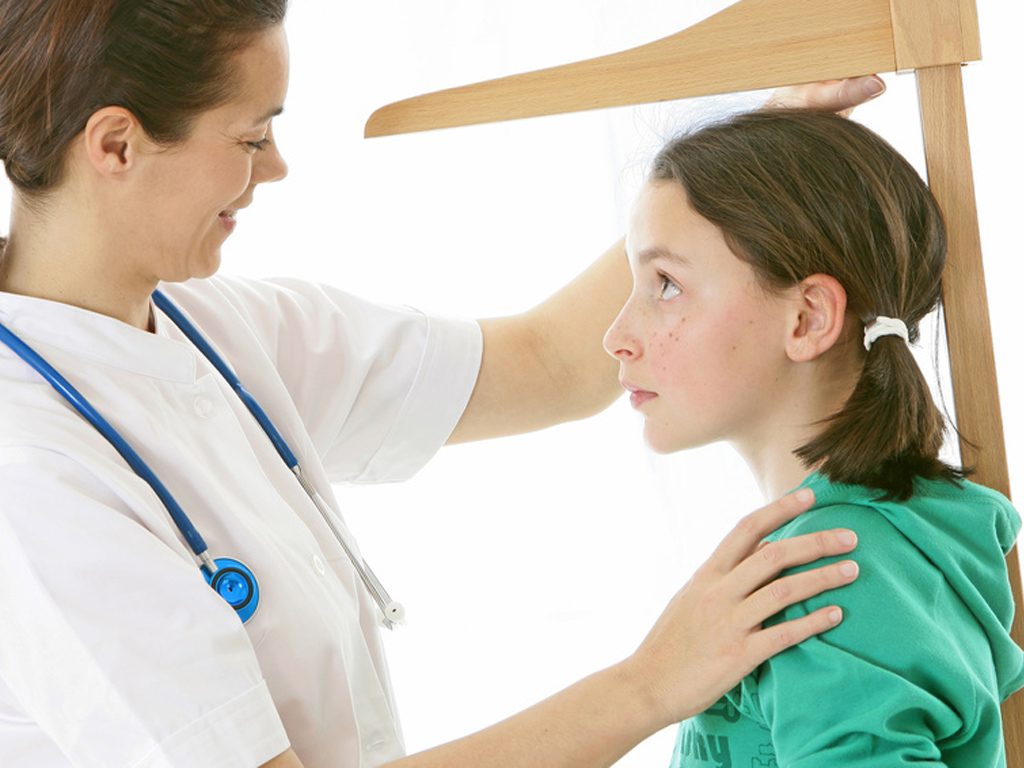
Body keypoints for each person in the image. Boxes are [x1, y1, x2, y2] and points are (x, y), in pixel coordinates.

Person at [0, 3, 882, 767]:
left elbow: (549, 364)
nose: (275, 168)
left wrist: (752, 139)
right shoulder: (29, 471)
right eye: (251, 136)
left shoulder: (225, 330)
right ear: (115, 144)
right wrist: (650, 684)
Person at [602, 107, 1024, 766]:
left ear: (807, 317)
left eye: (666, 284)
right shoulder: (905, 529)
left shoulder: (827, 578)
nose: (616, 336)